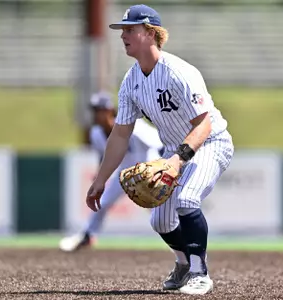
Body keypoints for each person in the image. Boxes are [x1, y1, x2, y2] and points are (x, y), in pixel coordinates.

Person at [85, 4, 234, 296]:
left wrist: (177, 161)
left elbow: (203, 126)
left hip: (210, 143)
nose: (123, 35)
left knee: (187, 199)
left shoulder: (179, 72)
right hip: (174, 150)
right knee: (161, 220)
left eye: (130, 29)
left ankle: (199, 273)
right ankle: (182, 263)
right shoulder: (131, 81)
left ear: (151, 33)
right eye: (122, 30)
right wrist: (101, 179)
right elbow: (120, 134)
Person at [59, 91, 163, 252]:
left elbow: (160, 144)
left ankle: (180, 243)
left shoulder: (133, 126)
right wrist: (100, 177)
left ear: (109, 110)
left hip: (148, 170)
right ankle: (88, 235)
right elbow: (104, 156)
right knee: (103, 202)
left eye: (99, 110)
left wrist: (164, 170)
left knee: (159, 212)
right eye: (94, 110)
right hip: (125, 173)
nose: (96, 114)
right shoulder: (96, 134)